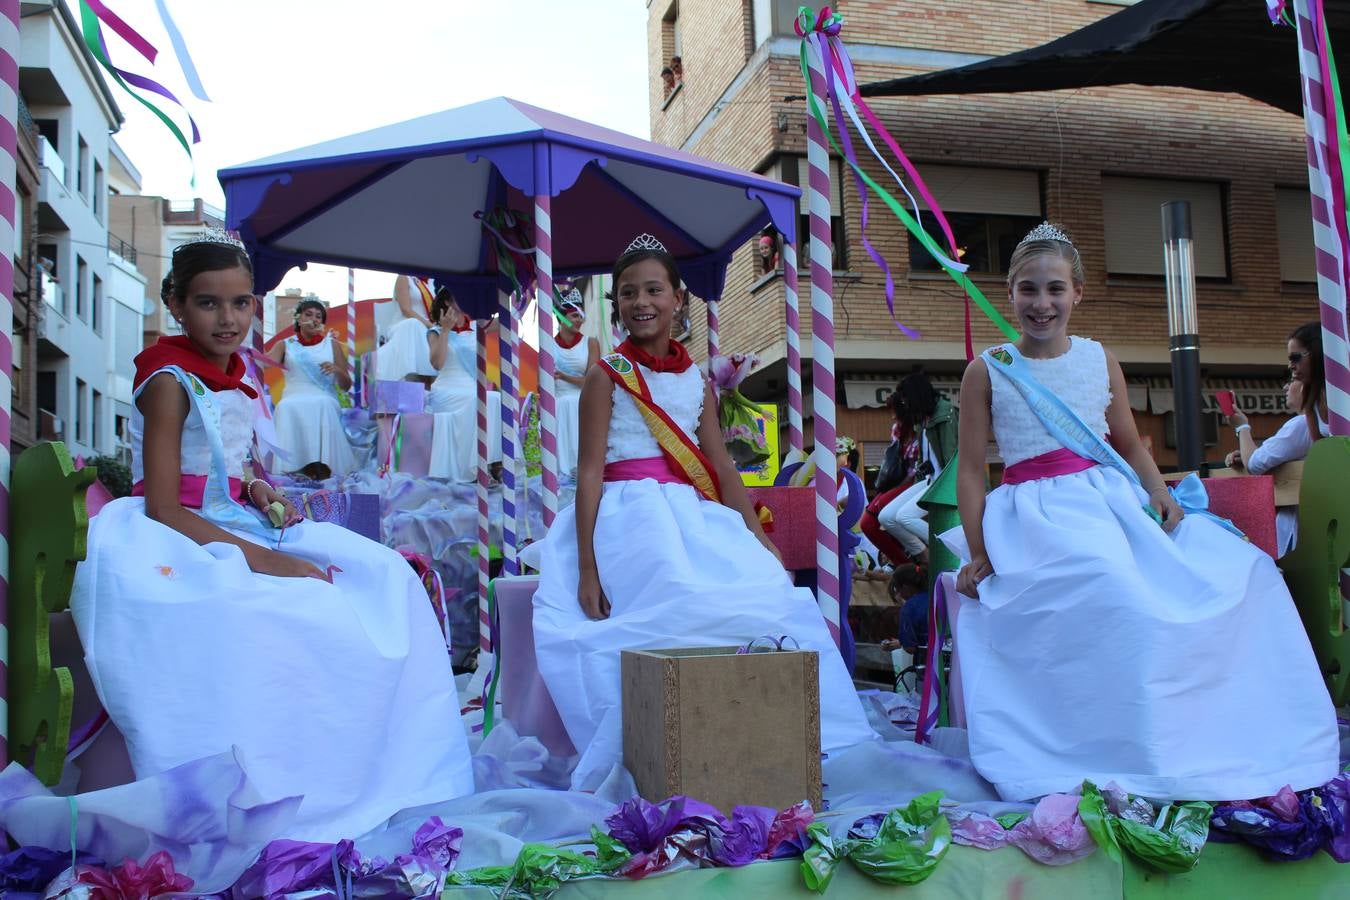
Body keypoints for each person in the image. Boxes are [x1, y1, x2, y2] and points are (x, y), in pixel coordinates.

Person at [68, 230, 474, 842]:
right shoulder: (170, 380)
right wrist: (263, 560)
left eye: (241, 303)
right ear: (175, 303)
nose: (228, 318)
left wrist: (261, 491)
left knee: (385, 574)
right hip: (176, 533)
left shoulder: (237, 374)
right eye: (209, 303)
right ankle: (292, 783)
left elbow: (236, 464)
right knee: (293, 602)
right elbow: (162, 502)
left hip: (233, 518)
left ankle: (389, 769)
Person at [944, 222, 1337, 802]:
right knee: (1108, 583)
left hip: (1108, 501)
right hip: (1035, 516)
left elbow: (1127, 441)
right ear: (1009, 293)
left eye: (1055, 289)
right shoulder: (988, 369)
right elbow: (973, 470)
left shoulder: (1100, 358)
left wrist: (1160, 493)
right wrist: (979, 552)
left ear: (1077, 292)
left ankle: (1187, 736)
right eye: (1028, 289)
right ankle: (1102, 744)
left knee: (1243, 572)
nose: (1042, 303)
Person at [531, 234, 875, 789]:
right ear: (616, 304)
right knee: (669, 605)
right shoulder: (606, 374)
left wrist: (755, 535)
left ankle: (764, 730)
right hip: (626, 517)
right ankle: (659, 743)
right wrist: (588, 567)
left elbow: (718, 463)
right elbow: (590, 470)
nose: (641, 302)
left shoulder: (695, 378)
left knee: (757, 589)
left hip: (688, 512)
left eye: (653, 290)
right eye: (627, 293)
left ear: (677, 298)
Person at [1225, 322, 1330, 555]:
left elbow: (1255, 464)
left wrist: (1241, 427)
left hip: (1314, 521)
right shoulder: (1312, 413)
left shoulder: (1303, 422)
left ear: (1318, 354)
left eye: (1296, 357)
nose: (1290, 368)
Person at [875, 373, 957, 566]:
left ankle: (948, 547)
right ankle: (923, 553)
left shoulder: (945, 414)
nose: (903, 404)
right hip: (928, 480)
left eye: (905, 399)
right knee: (886, 517)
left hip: (943, 482)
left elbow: (953, 457)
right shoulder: (922, 419)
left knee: (905, 516)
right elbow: (925, 457)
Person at [268, 297, 356, 474]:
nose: (314, 319)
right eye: (308, 314)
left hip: (324, 395)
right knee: (284, 407)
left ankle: (327, 470)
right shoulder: (285, 345)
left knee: (324, 404)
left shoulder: (331, 345)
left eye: (318, 316)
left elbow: (346, 385)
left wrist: (337, 370)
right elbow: (264, 363)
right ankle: (287, 470)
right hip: (293, 395)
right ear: (298, 319)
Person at [426, 286, 502, 482]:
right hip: (447, 389)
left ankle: (493, 462)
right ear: (447, 302)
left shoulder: (477, 326)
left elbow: (508, 320)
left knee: (494, 397)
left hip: (471, 388)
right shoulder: (435, 332)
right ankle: (478, 469)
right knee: (481, 399)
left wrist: (523, 295)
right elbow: (437, 363)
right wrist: (445, 330)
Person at [554, 288, 600, 479]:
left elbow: (592, 381)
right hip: (557, 403)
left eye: (582, 316)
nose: (580, 320)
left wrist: (563, 376)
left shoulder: (591, 343)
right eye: (574, 315)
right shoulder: (547, 344)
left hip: (583, 400)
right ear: (562, 317)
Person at [375, 274, 436, 381]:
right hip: (405, 323)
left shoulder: (433, 281)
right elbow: (406, 310)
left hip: (428, 327)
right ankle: (418, 375)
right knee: (413, 325)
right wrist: (431, 326)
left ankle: (431, 379)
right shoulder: (405, 277)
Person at [880, 563, 929, 655]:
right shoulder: (938, 594)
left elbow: (910, 648)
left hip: (928, 662)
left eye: (897, 589)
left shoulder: (909, 608)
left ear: (905, 587)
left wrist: (903, 643)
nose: (898, 594)